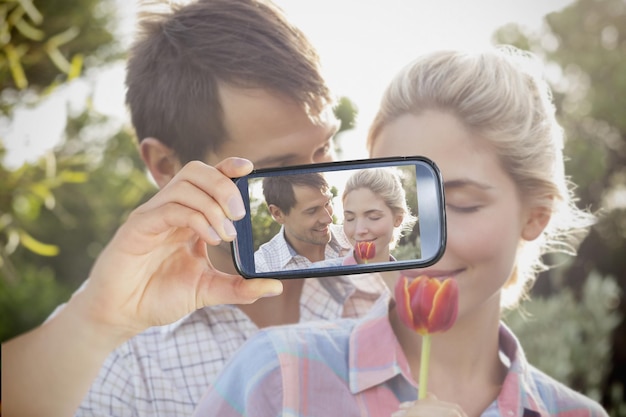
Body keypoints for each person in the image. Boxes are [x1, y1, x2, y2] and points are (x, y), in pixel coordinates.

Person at [0, 1, 386, 416]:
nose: (322, 184)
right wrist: (96, 322)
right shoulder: (106, 349)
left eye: (324, 146)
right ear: (167, 166)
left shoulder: (387, 289)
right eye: (280, 167)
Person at [192, 46, 608, 417]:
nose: (427, 242)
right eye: (414, 201)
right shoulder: (276, 376)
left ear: (535, 216)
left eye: (462, 205)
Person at [254, 172, 352, 272]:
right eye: (312, 211)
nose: (328, 219)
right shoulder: (262, 267)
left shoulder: (358, 240)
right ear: (278, 214)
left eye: (327, 203)